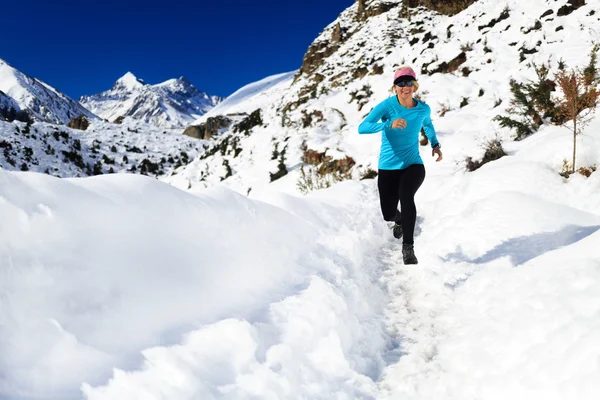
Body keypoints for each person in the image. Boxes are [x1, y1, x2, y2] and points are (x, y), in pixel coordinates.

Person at [358, 66, 442, 265]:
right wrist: (388, 124)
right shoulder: (387, 106)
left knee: (406, 196)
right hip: (388, 167)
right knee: (388, 212)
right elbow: (363, 127)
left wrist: (435, 144)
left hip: (413, 164)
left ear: (415, 85)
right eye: (401, 83)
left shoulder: (423, 108)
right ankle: (399, 220)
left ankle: (408, 248)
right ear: (394, 87)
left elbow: (428, 124)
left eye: (409, 83)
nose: (405, 87)